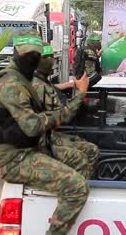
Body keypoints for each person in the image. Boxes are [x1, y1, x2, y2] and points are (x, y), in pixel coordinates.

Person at [0, 30, 90, 235]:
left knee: (81, 158)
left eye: (36, 55)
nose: (32, 59)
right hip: (14, 158)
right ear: (16, 52)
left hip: (28, 149)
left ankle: (62, 209)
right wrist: (63, 112)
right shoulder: (10, 83)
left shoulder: (23, 79)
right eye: (27, 54)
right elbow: (32, 125)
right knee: (76, 187)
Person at [33, 43, 100, 177]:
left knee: (88, 147)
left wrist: (61, 86)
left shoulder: (35, 79)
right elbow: (64, 115)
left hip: (43, 136)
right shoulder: (36, 84)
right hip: (36, 143)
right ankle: (76, 190)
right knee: (82, 157)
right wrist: (81, 91)